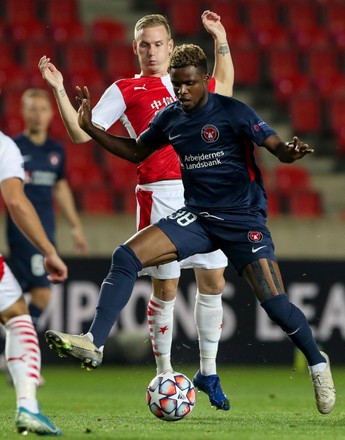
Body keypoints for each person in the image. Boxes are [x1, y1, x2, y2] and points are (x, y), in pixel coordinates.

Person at [46, 43, 336, 416]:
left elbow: (275, 145)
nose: (180, 91)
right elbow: (137, 151)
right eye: (176, 84)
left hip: (242, 220)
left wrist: (289, 152)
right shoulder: (171, 118)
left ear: (204, 81)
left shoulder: (233, 111)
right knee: (127, 254)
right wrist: (90, 128)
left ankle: (316, 362)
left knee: (276, 305)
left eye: (188, 84)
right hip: (197, 217)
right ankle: (93, 342)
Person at [39, 11, 233, 411]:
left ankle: (208, 372)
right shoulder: (126, 88)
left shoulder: (188, 82)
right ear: (135, 48)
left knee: (213, 281)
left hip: (202, 193)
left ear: (171, 46)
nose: (152, 51)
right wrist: (59, 89)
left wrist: (220, 39)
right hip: (159, 193)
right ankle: (163, 373)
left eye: (159, 43)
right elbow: (80, 132)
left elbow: (226, 86)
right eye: (144, 44)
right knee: (166, 288)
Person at [0, 88, 89, 384]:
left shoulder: (56, 150)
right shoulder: (13, 147)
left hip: (46, 230)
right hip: (22, 231)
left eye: (42, 108)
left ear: (51, 114)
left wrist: (75, 225)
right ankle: (20, 359)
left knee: (25, 296)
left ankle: (15, 355)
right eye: (32, 108)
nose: (38, 114)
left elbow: (61, 188)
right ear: (23, 113)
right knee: (41, 292)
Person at [0, 130, 67, 435]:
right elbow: (16, 202)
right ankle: (27, 405)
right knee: (17, 317)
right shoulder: (6, 146)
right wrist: (49, 251)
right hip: (24, 245)